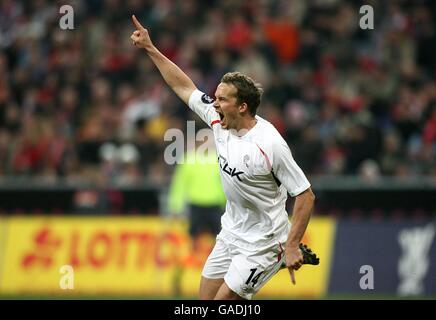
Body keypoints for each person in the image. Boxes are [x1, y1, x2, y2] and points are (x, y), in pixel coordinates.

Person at [130, 15, 316, 300]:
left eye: (222, 99)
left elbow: (305, 195)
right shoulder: (218, 119)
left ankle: (278, 254)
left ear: (242, 107)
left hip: (263, 243)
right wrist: (151, 48)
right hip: (230, 233)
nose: (214, 104)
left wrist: (292, 245)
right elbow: (184, 87)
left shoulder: (270, 144)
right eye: (215, 97)